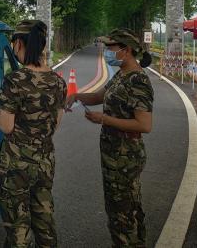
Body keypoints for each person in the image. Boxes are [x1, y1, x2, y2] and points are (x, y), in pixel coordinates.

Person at [67, 29, 153, 247]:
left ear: (126, 50)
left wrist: (104, 119)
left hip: (125, 157)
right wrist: (76, 95)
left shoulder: (138, 80)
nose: (106, 51)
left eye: (110, 47)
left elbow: (144, 125)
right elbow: (100, 95)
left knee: (122, 212)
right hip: (113, 155)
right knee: (121, 207)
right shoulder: (122, 74)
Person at [0, 20, 67, 247]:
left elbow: (6, 126)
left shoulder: (15, 80)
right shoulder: (58, 81)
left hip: (16, 164)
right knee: (44, 216)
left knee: (18, 224)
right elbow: (56, 123)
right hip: (45, 160)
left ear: (18, 43)